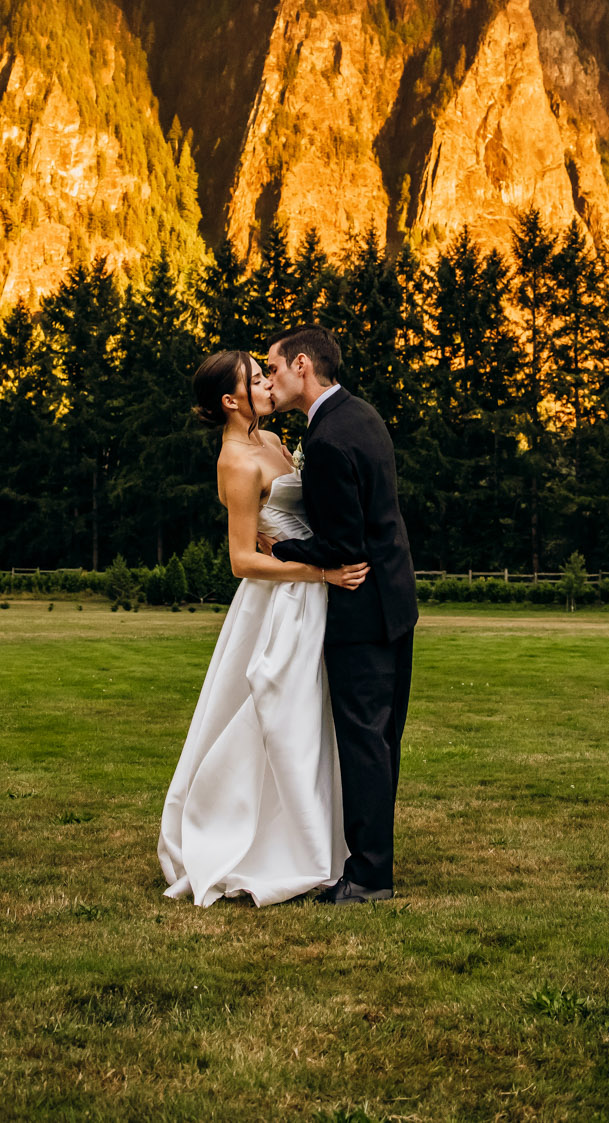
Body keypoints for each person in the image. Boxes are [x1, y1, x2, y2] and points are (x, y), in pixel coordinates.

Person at [156, 350, 370, 906]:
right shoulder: (236, 460)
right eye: (255, 380)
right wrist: (319, 569)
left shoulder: (275, 444)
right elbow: (242, 560)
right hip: (280, 601)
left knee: (314, 719)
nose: (268, 384)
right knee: (279, 715)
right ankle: (268, 844)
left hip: (314, 590)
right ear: (230, 401)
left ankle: (318, 839)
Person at [262, 325, 418, 904]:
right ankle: (373, 856)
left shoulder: (326, 440)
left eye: (273, 369)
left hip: (360, 611)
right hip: (396, 603)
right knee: (382, 739)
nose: (270, 381)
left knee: (362, 740)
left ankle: (371, 875)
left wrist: (279, 546)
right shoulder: (363, 414)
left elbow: (342, 546)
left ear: (302, 366)